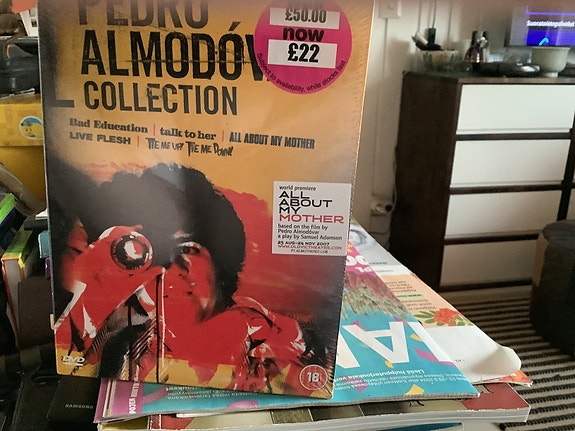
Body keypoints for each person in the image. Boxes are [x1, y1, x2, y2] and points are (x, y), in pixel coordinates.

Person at [48, 154, 326, 394]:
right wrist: (91, 297)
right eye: (151, 254)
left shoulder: (263, 330)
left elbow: (310, 380)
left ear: (221, 259)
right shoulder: (122, 336)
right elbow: (71, 370)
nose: (168, 269)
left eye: (185, 249)